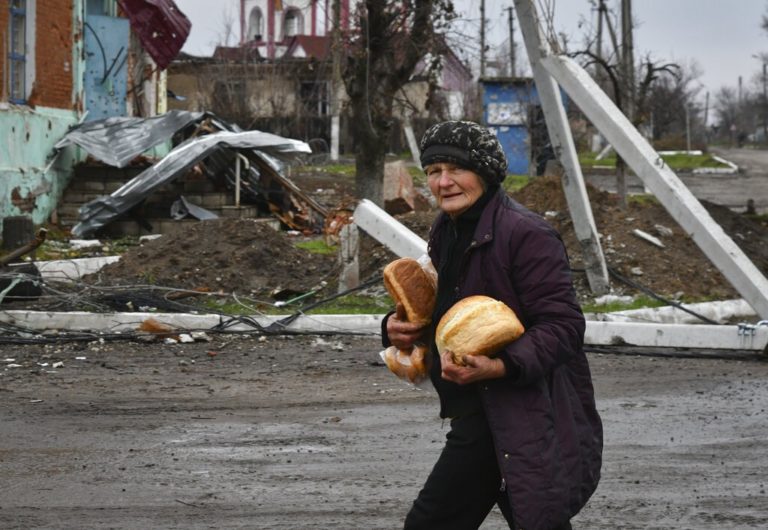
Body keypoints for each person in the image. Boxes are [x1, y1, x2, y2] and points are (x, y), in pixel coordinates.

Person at [382, 121, 603, 530]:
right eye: (433, 171)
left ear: (483, 172)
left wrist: (501, 366)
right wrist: (396, 327)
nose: (443, 182)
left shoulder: (526, 234)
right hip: (480, 410)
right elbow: (452, 311)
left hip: (518, 413)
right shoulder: (448, 229)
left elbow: (564, 326)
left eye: (455, 169)